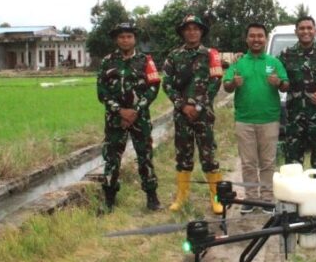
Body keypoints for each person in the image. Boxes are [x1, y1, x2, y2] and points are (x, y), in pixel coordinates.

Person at [223, 23, 289, 213]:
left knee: (268, 162)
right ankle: (251, 199)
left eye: (260, 36)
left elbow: (286, 84)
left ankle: (267, 199)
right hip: (244, 120)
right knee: (248, 162)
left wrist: (279, 83)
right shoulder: (238, 62)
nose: (256, 39)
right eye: (252, 36)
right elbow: (227, 85)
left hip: (269, 119)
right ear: (247, 39)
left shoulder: (274, 62)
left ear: (265, 39)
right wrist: (233, 84)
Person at [162, 14, 224, 214]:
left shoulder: (211, 54)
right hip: (182, 115)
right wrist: (182, 105)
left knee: (208, 156)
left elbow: (215, 82)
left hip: (203, 114)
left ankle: (216, 198)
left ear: (201, 32)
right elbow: (167, 83)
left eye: (195, 28)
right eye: (188, 28)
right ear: (183, 32)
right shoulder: (173, 56)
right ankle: (182, 197)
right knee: (183, 156)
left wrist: (198, 106)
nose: (192, 32)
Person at [96, 22, 161, 211]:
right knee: (112, 159)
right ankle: (108, 199)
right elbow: (102, 92)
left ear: (135, 39)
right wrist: (120, 111)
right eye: (121, 37)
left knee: (145, 156)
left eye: (129, 36)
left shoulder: (146, 60)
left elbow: (154, 86)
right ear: (117, 40)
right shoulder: (107, 62)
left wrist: (136, 110)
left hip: (140, 117)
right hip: (115, 119)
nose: (125, 40)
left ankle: (152, 197)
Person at [277, 16, 316, 169]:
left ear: (315, 31)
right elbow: (270, 69)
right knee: (292, 166)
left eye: (309, 28)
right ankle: (293, 194)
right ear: (296, 32)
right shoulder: (285, 54)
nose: (306, 31)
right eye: (302, 28)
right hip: (294, 118)